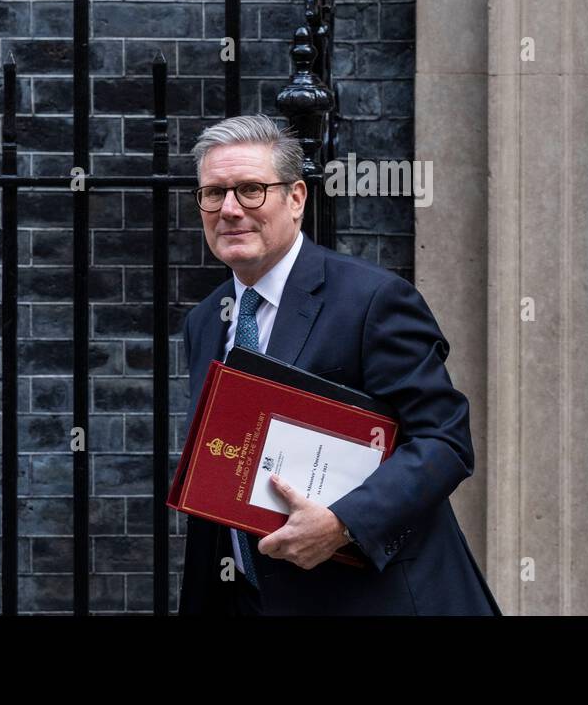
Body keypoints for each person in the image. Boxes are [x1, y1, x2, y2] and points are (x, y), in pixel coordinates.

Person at [176, 114, 501, 616]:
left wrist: (342, 522)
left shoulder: (372, 299)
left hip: (372, 600)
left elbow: (445, 442)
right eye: (214, 193)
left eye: (250, 190)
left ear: (297, 198)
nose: (230, 209)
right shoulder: (205, 321)